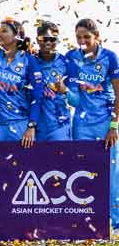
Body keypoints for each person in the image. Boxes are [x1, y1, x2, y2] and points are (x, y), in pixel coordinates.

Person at [63, 18, 119, 229]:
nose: (82, 41)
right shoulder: (71, 58)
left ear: (97, 36)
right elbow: (74, 100)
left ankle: (115, 223)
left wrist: (113, 126)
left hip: (106, 122)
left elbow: (118, 93)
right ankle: (88, 220)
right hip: (81, 123)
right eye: (79, 37)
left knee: (112, 172)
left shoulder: (110, 57)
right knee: (83, 171)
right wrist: (65, 91)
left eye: (87, 36)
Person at [0, 18, 43, 147]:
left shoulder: (29, 60)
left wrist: (31, 126)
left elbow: (37, 95)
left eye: (4, 31)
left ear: (16, 36)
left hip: (20, 125)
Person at [33, 21, 71, 141]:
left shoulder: (66, 63)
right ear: (37, 40)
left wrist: (65, 90)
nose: (48, 42)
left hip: (60, 127)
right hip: (35, 129)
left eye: (52, 39)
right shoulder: (29, 61)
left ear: (57, 40)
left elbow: (76, 100)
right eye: (44, 39)